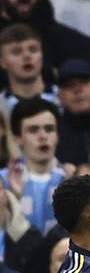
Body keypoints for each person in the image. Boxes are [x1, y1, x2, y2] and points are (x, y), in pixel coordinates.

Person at [2, 97, 65, 234]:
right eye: (33, 130)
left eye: (49, 129)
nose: (43, 136)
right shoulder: (2, 181)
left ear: (58, 134)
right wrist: (14, 198)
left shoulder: (72, 178)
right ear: (18, 137)